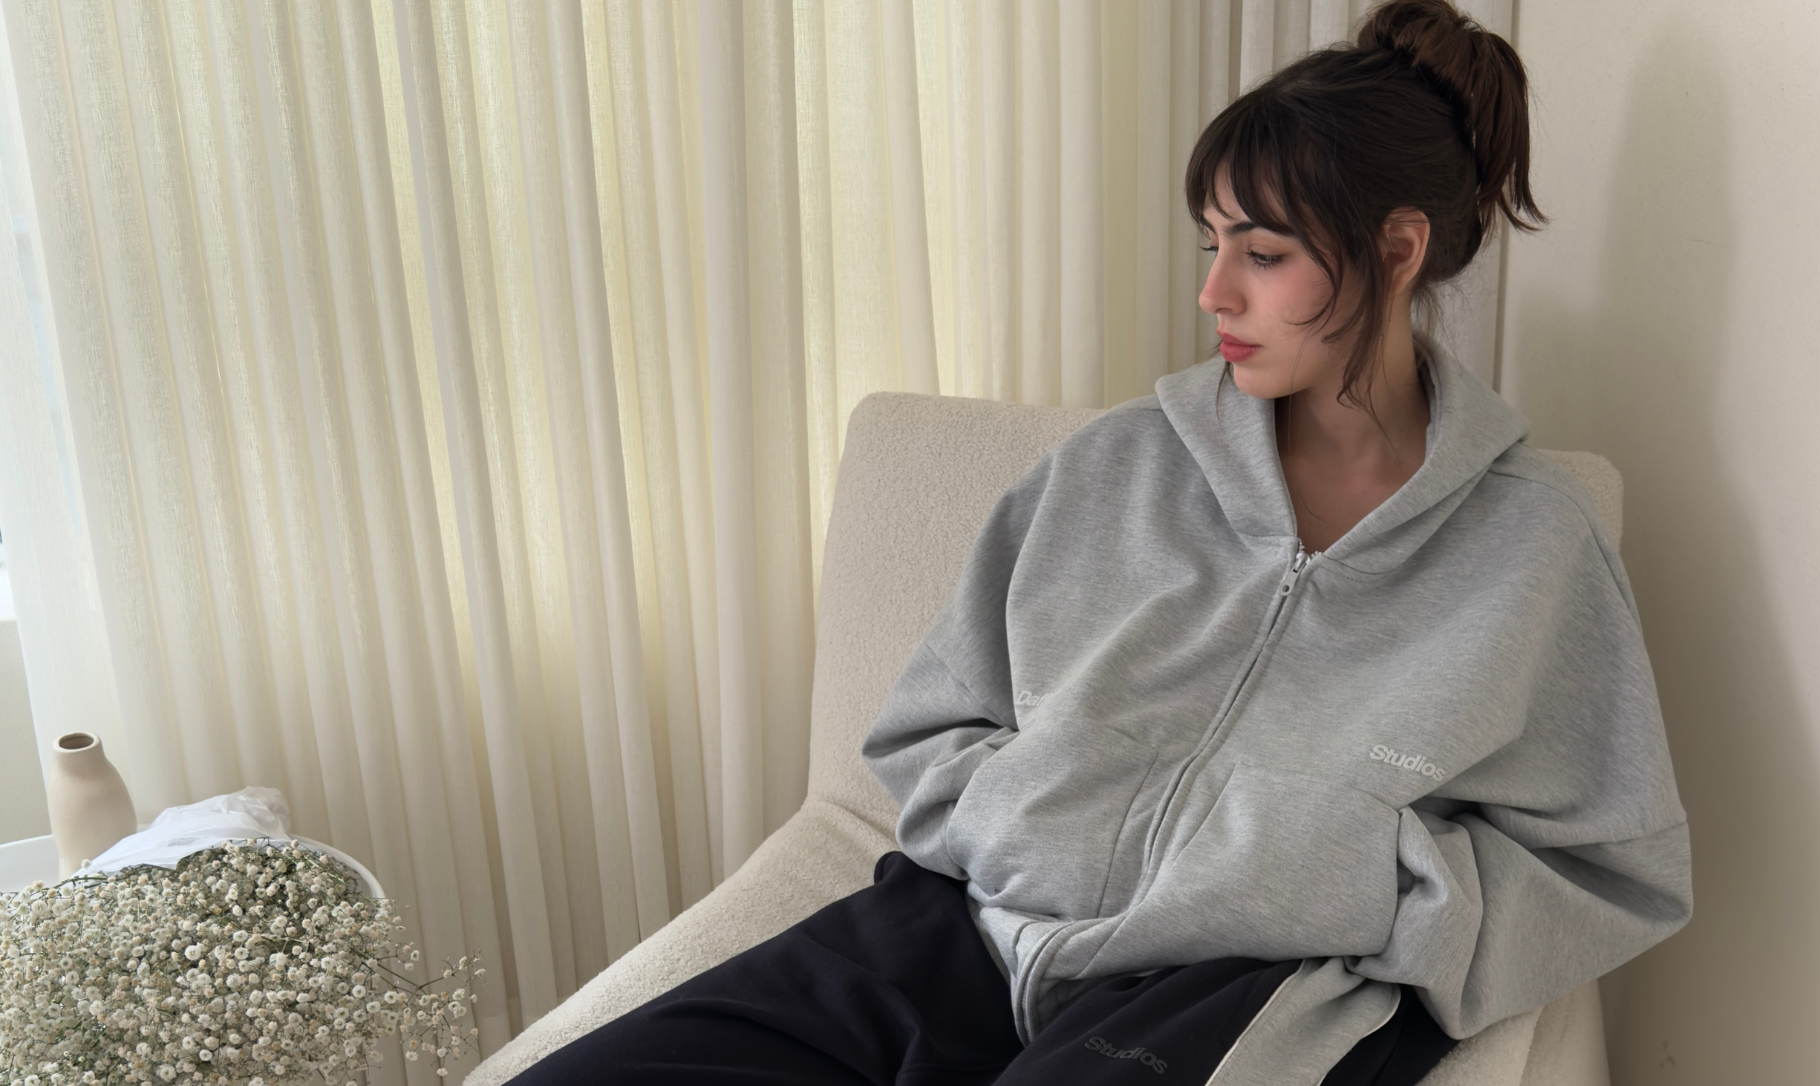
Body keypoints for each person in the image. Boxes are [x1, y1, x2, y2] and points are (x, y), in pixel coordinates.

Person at [509, 1, 1691, 1083]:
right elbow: (925, 727)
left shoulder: (1531, 542)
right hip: (964, 929)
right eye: (1210, 244)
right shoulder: (1117, 465)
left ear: (1396, 250)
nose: (1214, 292)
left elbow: (1607, 869)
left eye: (1262, 254)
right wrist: (1028, 819)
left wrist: (1366, 883)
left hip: (1231, 983)